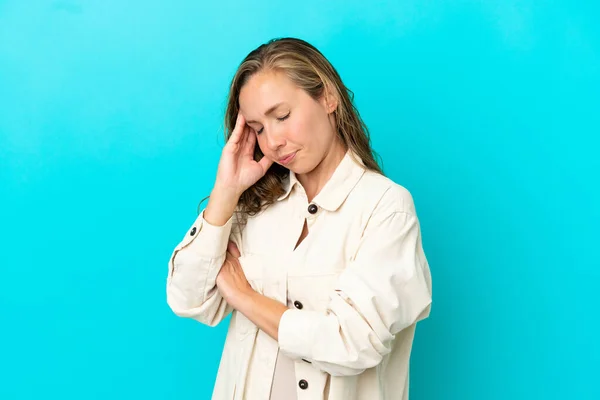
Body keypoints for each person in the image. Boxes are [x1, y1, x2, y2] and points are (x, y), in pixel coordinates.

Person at [166, 37, 433, 400]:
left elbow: (351, 343)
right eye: (258, 128)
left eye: (282, 116)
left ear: (327, 98)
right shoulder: (252, 206)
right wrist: (226, 191)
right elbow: (189, 299)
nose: (272, 140)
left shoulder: (385, 208)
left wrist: (243, 296)